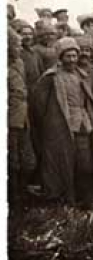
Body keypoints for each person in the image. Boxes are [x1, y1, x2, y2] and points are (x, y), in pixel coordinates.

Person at [32, 37, 93, 209]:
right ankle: (65, 201)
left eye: (74, 56)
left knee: (85, 165)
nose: (72, 60)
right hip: (60, 127)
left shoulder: (82, 75)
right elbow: (38, 105)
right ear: (61, 57)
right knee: (63, 165)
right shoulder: (51, 77)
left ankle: (85, 201)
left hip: (83, 125)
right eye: (68, 56)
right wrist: (52, 122)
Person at [7, 28, 36, 214]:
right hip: (9, 121)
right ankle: (14, 199)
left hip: (23, 117)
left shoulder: (19, 63)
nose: (19, 48)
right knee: (12, 161)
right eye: (15, 45)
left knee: (28, 160)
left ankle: (22, 194)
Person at [14, 19, 44, 90]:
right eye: (24, 34)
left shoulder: (35, 53)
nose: (28, 37)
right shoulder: (16, 53)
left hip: (35, 90)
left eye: (30, 34)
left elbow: (41, 72)